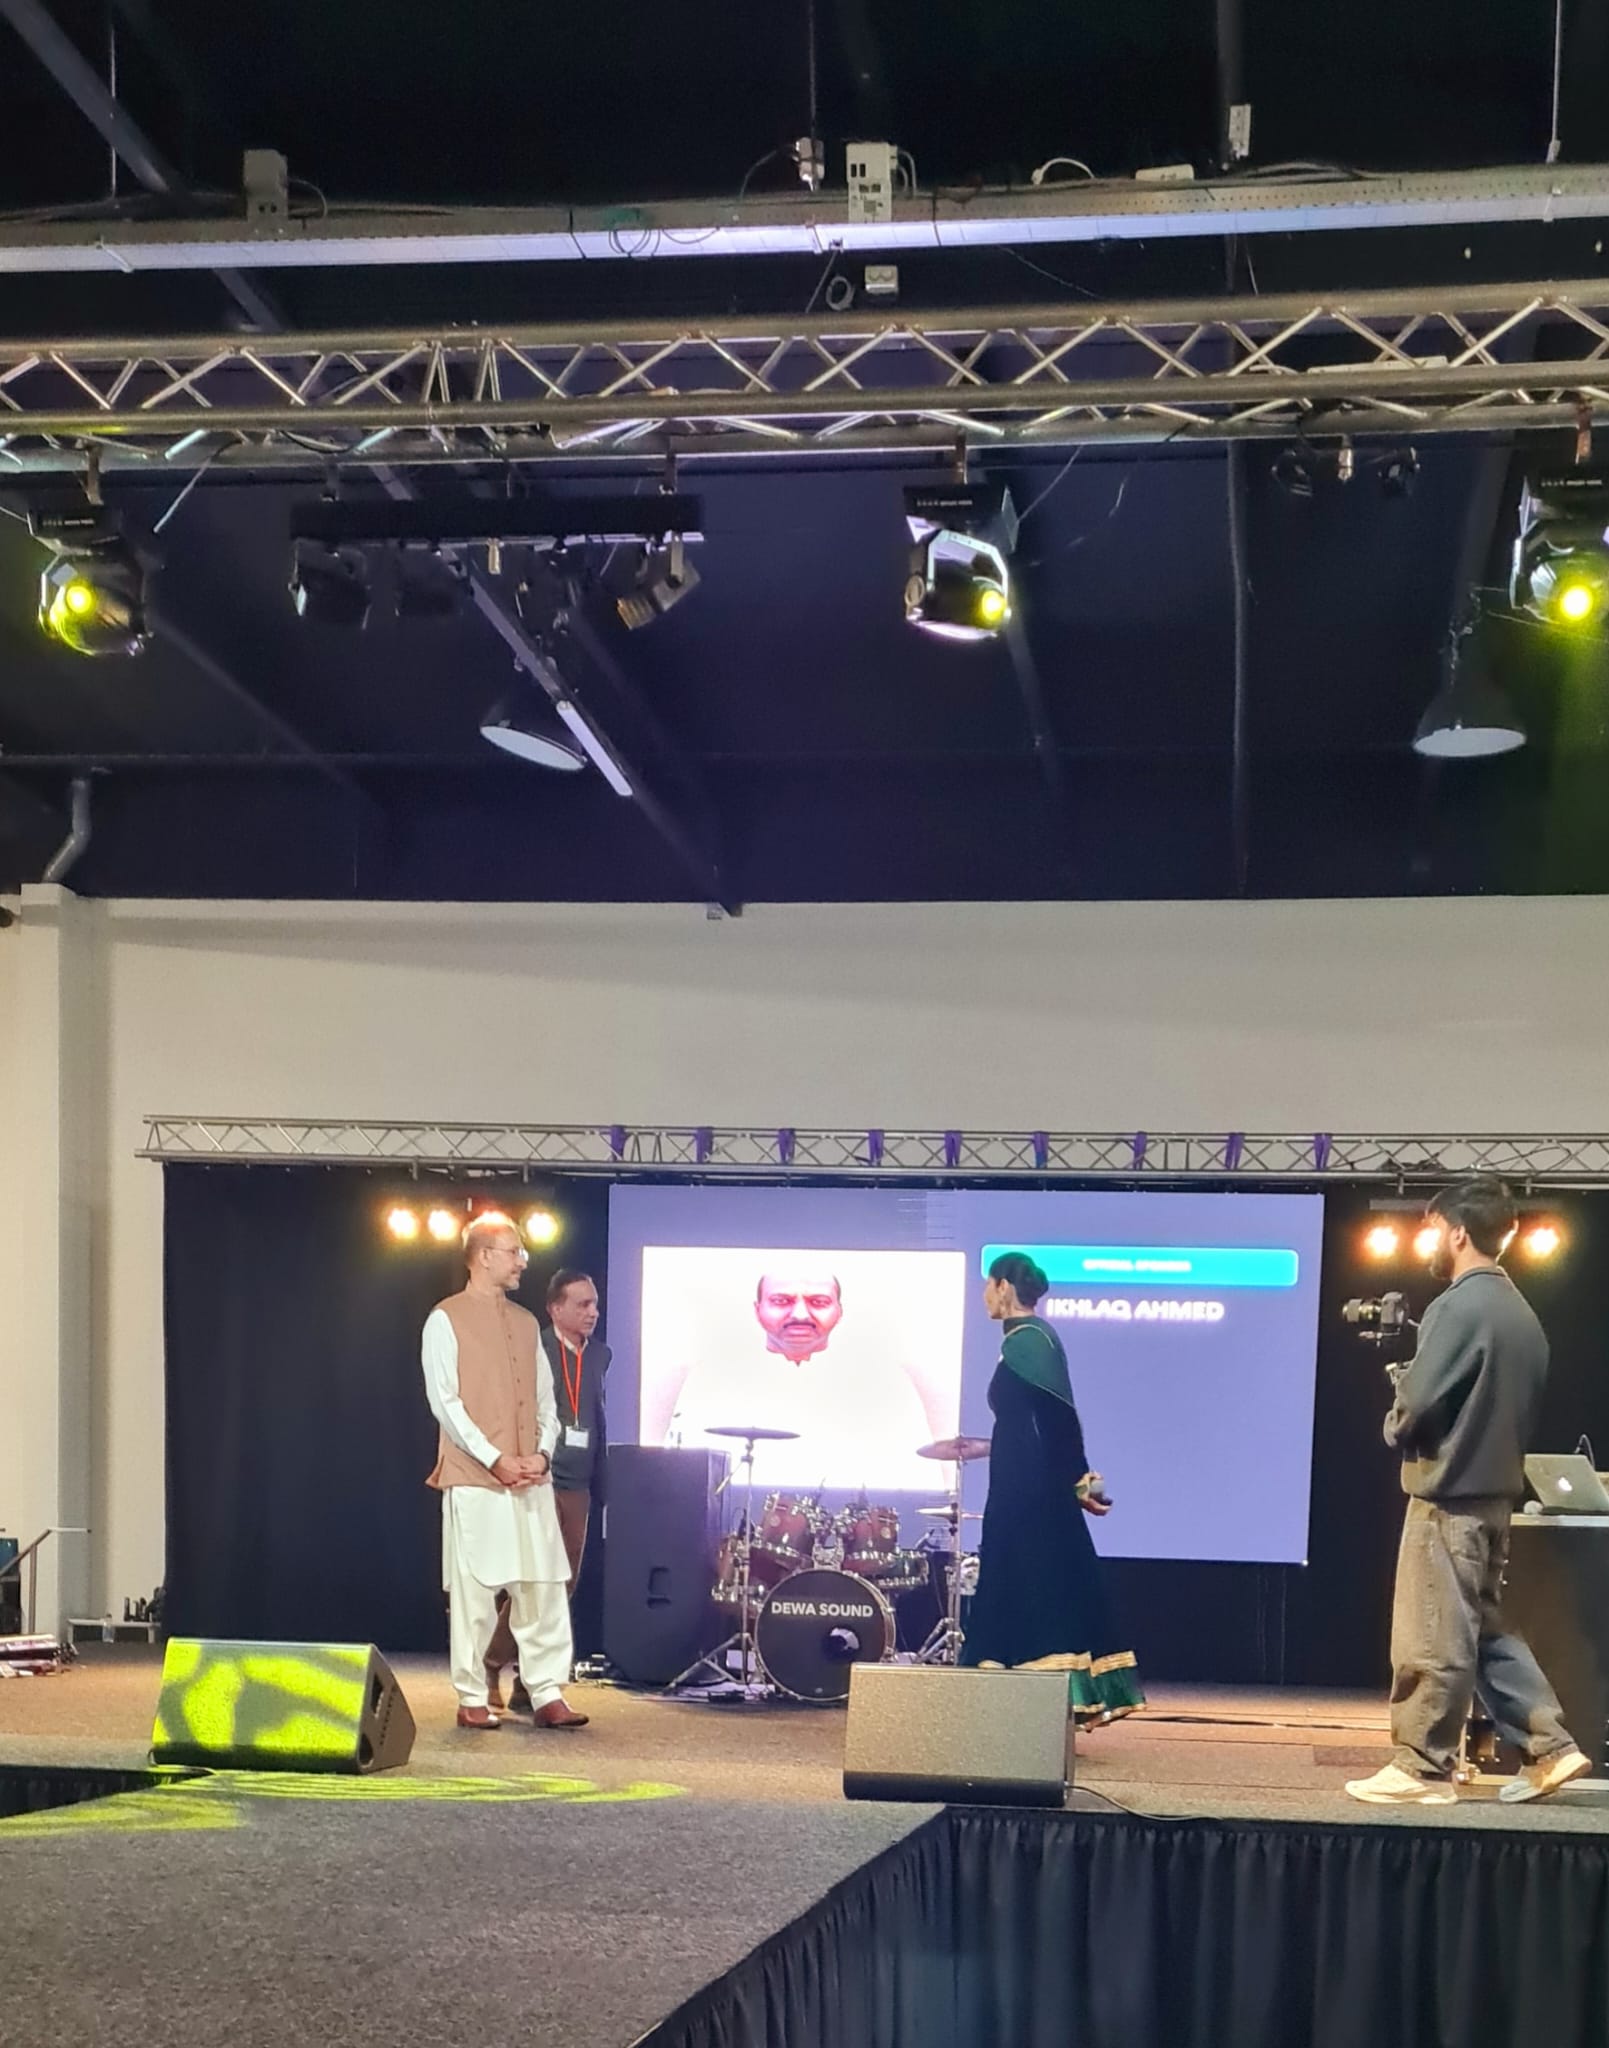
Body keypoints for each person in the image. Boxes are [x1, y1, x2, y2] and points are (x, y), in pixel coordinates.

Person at [1346, 1177, 1588, 1806]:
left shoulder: (1459, 1306)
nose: (1428, 1242)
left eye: (1431, 1229)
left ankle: (1420, 1767)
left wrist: (1396, 1418)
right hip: (1493, 1496)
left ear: (1457, 1233)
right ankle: (1549, 1747)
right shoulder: (1520, 1313)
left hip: (1449, 1497)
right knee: (1483, 1631)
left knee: (1431, 1633)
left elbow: (1418, 1406)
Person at [960, 1251, 1144, 1724]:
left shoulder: (1031, 1340)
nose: (983, 1295)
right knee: (1021, 1581)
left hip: (1031, 1489)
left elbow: (1061, 1419)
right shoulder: (1019, 1340)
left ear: (1003, 1287)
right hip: (1016, 1482)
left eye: (988, 1284)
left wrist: (1081, 1480)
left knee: (1037, 1582)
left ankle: (1043, 1704)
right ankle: (1011, 1707)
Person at [421, 1212, 587, 1731]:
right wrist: (494, 1458)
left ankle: (546, 1691)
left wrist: (542, 1455)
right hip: (477, 1478)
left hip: (530, 1477)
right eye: (514, 1252)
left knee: (542, 1586)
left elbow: (546, 1401)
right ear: (484, 1255)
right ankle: (472, 1695)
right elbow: (444, 1402)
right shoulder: (445, 1319)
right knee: (475, 1592)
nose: (522, 1262)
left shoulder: (525, 1323)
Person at [665, 1265, 940, 1491]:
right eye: (781, 1301)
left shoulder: (886, 1379)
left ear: (839, 1311)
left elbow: (920, 1476)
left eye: (818, 1302)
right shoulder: (711, 1374)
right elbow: (678, 1480)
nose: (799, 1314)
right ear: (757, 1309)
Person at [486, 1268, 610, 1709]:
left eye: (595, 1304)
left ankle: (528, 1679)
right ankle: (491, 1662)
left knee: (562, 1585)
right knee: (532, 1580)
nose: (592, 1312)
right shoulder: (533, 1348)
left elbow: (594, 1414)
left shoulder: (600, 1355)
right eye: (582, 1304)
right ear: (555, 1308)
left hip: (580, 1483)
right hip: (540, 1478)